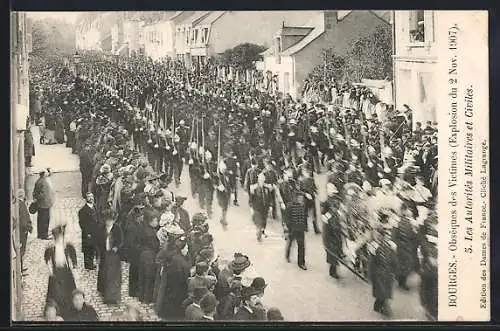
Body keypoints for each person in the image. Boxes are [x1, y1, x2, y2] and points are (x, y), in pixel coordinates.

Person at [44, 225, 77, 319]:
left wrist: (74, 266)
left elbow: (73, 255)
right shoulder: (51, 248)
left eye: (60, 236)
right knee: (56, 290)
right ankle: (56, 309)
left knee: (69, 289)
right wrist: (50, 270)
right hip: (56, 271)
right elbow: (46, 259)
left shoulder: (67, 246)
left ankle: (70, 307)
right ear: (54, 237)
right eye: (57, 237)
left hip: (66, 271)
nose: (59, 238)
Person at [155, 236, 191, 320]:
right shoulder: (181, 261)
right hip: (177, 288)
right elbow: (186, 275)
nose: (187, 250)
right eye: (186, 248)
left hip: (169, 284)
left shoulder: (174, 257)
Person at [96, 208, 123, 304]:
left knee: (114, 276)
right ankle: (104, 292)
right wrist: (99, 253)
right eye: (107, 220)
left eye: (110, 220)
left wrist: (116, 247)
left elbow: (121, 241)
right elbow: (98, 242)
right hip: (104, 254)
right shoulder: (101, 228)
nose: (108, 222)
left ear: (114, 220)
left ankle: (114, 296)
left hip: (114, 256)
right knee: (104, 274)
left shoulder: (117, 228)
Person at [138, 208, 160, 304]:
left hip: (143, 254)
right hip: (150, 256)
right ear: (151, 221)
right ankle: (147, 298)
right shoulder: (152, 233)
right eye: (155, 221)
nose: (157, 222)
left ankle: (141, 296)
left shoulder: (143, 228)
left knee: (142, 276)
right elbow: (155, 246)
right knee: (149, 277)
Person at [285, 192, 308, 270]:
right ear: (296, 198)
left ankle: (301, 263)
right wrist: (289, 229)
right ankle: (287, 255)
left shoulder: (303, 206)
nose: (302, 199)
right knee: (290, 243)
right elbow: (287, 219)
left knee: (301, 246)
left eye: (302, 198)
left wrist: (305, 227)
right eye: (300, 198)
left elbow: (304, 217)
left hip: (300, 229)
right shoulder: (290, 206)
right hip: (293, 229)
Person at [78, 192, 98, 270]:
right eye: (89, 197)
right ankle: (87, 264)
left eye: (92, 196)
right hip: (88, 233)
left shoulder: (95, 207)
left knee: (93, 248)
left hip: (95, 231)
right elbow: (82, 223)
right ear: (86, 199)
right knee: (87, 249)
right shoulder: (83, 210)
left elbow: (98, 219)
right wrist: (87, 233)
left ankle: (91, 263)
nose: (91, 198)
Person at [33, 169, 55, 240]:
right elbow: (43, 194)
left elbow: (34, 192)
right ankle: (44, 235)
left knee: (40, 220)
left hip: (40, 204)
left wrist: (36, 199)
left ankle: (40, 234)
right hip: (44, 204)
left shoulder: (38, 181)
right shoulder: (43, 182)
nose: (47, 174)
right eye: (46, 173)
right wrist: (38, 198)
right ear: (43, 174)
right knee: (45, 220)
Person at [250, 173, 271, 242]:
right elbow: (251, 199)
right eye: (260, 180)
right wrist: (251, 208)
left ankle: (261, 230)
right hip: (257, 208)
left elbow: (269, 198)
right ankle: (259, 236)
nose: (262, 181)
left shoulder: (267, 188)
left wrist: (270, 206)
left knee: (264, 222)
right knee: (259, 223)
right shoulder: (254, 188)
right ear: (258, 180)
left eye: (263, 180)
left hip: (265, 208)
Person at [17, 189, 32, 275]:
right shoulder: (21, 205)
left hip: (21, 230)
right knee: (21, 250)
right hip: (23, 231)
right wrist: (27, 228)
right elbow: (23, 219)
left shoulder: (19, 204)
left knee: (21, 250)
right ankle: (20, 270)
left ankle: (21, 268)